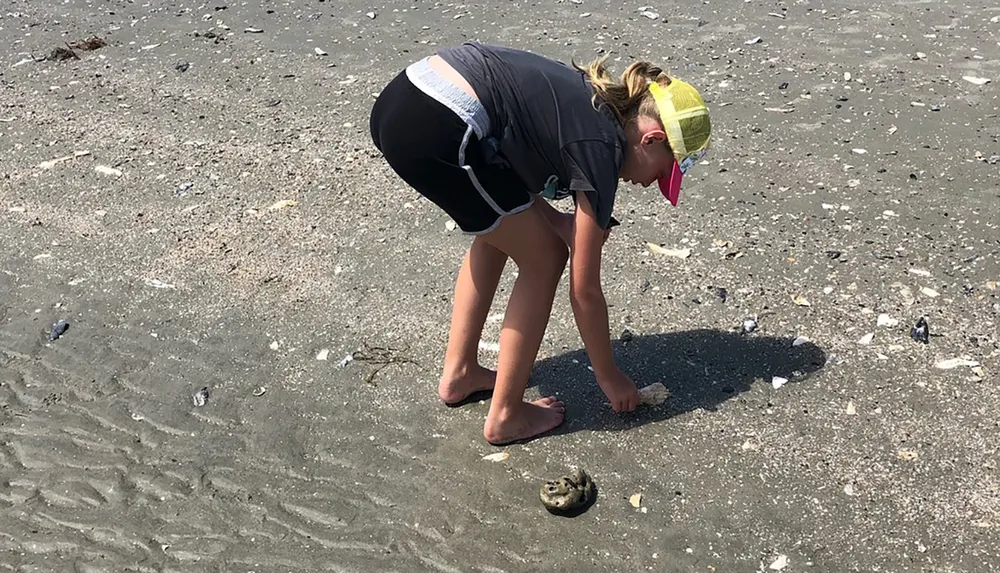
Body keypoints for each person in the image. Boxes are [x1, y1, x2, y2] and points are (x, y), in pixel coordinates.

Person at [368, 42, 711, 445]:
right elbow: (584, 293)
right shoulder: (602, 149)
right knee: (545, 256)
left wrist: (554, 220)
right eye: (663, 173)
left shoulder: (591, 105)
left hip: (409, 98)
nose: (653, 184)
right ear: (651, 139)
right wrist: (609, 375)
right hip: (441, 123)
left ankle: (460, 374)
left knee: (499, 231)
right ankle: (506, 415)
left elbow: (511, 176)